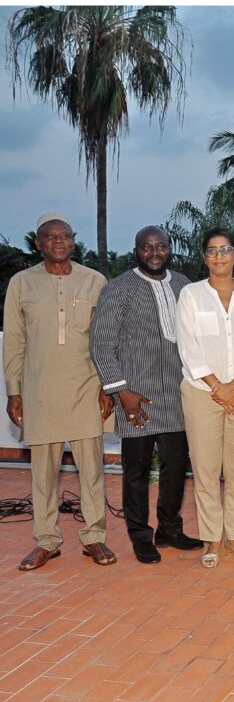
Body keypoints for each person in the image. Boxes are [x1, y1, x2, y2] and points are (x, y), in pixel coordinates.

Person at [4, 213, 114, 571]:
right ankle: (47, 541)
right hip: (40, 391)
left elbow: (106, 339)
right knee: (43, 474)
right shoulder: (21, 283)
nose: (58, 241)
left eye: (65, 235)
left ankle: (94, 537)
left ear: (73, 241)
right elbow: (14, 341)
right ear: (38, 243)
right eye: (50, 237)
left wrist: (107, 386)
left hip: (86, 388)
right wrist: (14, 391)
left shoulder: (95, 281)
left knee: (92, 471)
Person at [89, 225, 202, 564]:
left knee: (175, 468)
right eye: (147, 247)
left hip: (177, 395)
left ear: (170, 249)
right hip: (135, 398)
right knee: (136, 471)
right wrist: (120, 391)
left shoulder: (183, 285)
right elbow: (101, 343)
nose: (154, 253)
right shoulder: (119, 288)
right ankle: (140, 536)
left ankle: (170, 529)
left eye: (161, 246)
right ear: (136, 251)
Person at [175, 227, 234, 568]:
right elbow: (188, 347)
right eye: (212, 251)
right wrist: (219, 387)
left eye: (225, 249)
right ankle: (212, 538)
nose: (219, 256)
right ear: (205, 258)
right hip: (203, 393)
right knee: (206, 469)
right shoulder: (190, 295)